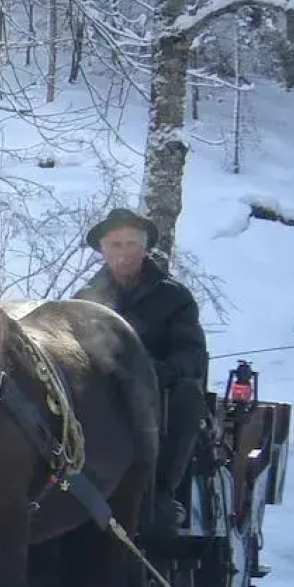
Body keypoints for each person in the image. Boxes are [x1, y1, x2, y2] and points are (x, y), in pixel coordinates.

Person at [74, 207, 209, 534]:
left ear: (145, 247)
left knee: (188, 398)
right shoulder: (85, 300)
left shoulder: (174, 296)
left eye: (131, 244)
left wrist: (163, 371)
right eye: (116, 245)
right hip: (102, 387)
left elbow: (192, 352)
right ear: (103, 250)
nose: (123, 254)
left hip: (160, 389)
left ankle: (163, 490)